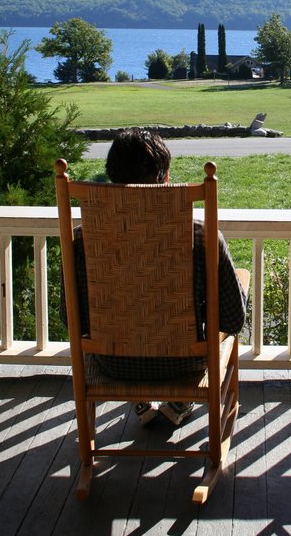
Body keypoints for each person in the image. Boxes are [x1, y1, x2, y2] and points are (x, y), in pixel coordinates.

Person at [61, 127, 248, 427]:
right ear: (165, 178)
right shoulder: (201, 236)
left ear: (111, 179)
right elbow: (232, 320)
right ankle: (180, 399)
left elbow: (72, 320)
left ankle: (142, 399)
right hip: (184, 361)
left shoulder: (84, 241)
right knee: (236, 291)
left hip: (114, 361)